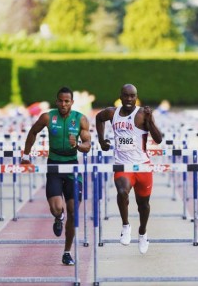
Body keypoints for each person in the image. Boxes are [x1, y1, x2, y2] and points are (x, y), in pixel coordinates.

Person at [21, 86, 91, 265]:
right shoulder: (48, 117)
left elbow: (88, 145)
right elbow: (33, 131)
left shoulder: (80, 119)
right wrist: (26, 155)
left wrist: (77, 145)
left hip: (72, 168)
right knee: (57, 208)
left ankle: (67, 252)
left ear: (72, 102)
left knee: (73, 212)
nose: (63, 104)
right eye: (60, 100)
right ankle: (58, 218)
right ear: (56, 101)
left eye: (67, 101)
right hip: (53, 166)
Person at [95, 83, 162, 254]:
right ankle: (125, 226)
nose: (129, 99)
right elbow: (98, 118)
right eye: (126, 95)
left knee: (143, 204)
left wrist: (149, 121)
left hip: (142, 166)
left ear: (136, 97)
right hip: (122, 165)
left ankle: (142, 232)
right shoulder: (112, 112)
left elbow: (158, 139)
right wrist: (101, 140)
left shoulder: (141, 114)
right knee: (122, 192)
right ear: (120, 96)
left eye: (133, 96)